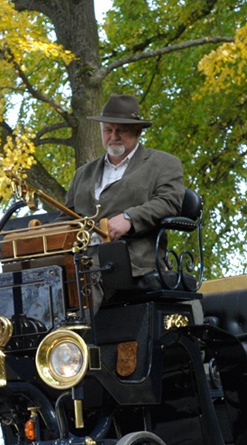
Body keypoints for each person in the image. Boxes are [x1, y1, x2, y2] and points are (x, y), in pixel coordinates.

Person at [64, 94, 185, 304]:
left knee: (85, 273)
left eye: (121, 130)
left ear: (137, 132)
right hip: (82, 253)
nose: (113, 137)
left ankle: (74, 337)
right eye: (108, 130)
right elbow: (65, 218)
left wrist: (130, 218)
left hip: (131, 256)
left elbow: (169, 202)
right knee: (41, 274)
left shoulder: (163, 164)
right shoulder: (83, 173)